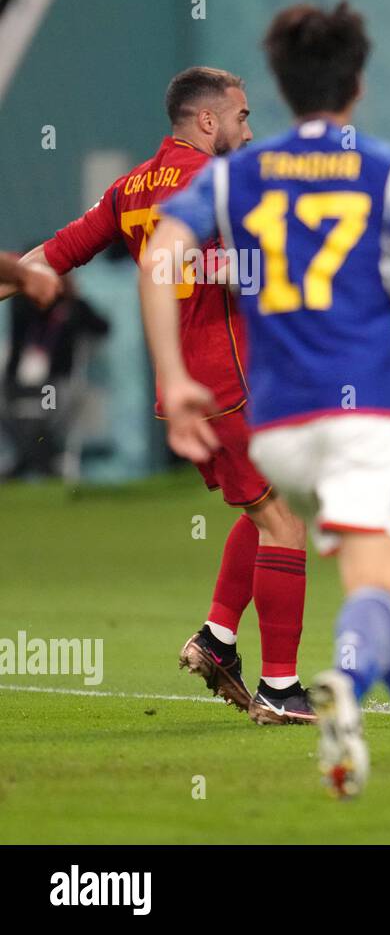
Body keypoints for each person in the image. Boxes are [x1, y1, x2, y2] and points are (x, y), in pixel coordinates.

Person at [138, 2, 390, 813]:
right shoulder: (389, 169)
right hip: (362, 409)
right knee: (373, 591)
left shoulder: (233, 173)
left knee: (336, 564)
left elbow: (161, 255)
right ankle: (335, 683)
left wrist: (173, 371)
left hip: (277, 421)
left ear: (284, 90)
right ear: (357, 85)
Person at [17, 67, 313, 725]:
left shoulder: (129, 189)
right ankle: (282, 689)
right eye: (241, 116)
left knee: (273, 504)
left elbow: (55, 254)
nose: (249, 129)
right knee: (284, 524)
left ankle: (218, 637)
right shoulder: (217, 185)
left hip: (190, 384)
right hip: (230, 381)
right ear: (208, 121)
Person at [2, 270, 109, 477]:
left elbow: (102, 327)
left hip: (53, 382)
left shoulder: (72, 306)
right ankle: (33, 462)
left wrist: (72, 301)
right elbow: (19, 335)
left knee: (43, 417)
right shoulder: (24, 303)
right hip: (21, 380)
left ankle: (36, 465)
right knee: (17, 416)